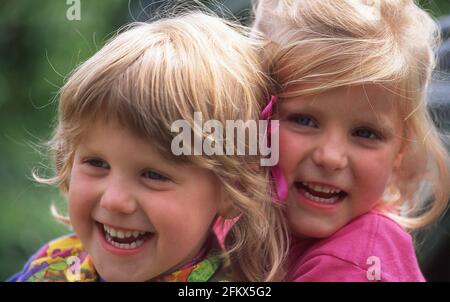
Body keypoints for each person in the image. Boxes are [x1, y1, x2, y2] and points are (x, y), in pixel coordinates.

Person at [8, 11, 288, 282]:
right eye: (96, 163)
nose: (114, 200)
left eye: (154, 175)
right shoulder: (54, 266)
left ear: (234, 188)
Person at [253, 0, 450, 281]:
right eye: (304, 120)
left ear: (400, 153)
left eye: (366, 133)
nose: (331, 157)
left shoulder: (355, 264)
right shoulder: (238, 217)